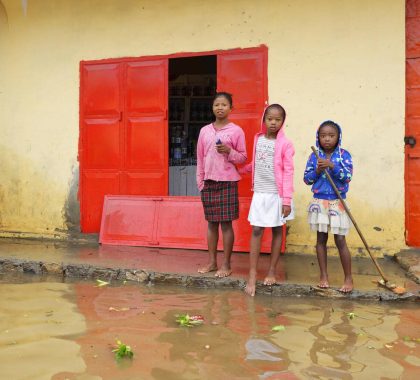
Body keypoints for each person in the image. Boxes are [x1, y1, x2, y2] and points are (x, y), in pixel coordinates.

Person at [240, 104, 295, 297]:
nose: (273, 122)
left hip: (277, 195)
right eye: (270, 118)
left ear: (282, 122)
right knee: (256, 229)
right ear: (264, 119)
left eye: (277, 119)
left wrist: (286, 200)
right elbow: (257, 162)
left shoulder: (286, 144)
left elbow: (288, 172)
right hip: (260, 193)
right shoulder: (258, 139)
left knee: (276, 229)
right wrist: (241, 170)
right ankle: (253, 273)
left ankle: (272, 270)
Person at [196, 92, 247, 278]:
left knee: (226, 225)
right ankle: (211, 262)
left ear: (231, 108)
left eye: (224, 105)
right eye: (217, 104)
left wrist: (229, 151)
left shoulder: (236, 131)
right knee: (211, 224)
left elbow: (242, 157)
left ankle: (226, 264)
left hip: (228, 182)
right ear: (212, 107)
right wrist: (200, 182)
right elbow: (200, 158)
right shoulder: (204, 131)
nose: (220, 108)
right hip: (208, 182)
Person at [303, 120, 353, 293]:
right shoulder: (314, 156)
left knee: (340, 240)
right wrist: (317, 170)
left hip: (337, 202)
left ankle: (348, 278)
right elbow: (307, 179)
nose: (327, 139)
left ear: (338, 136)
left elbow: (347, 177)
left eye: (331, 135)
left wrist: (332, 165)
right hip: (320, 202)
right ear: (318, 137)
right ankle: (323, 276)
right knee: (321, 240)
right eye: (323, 136)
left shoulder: (344, 155)